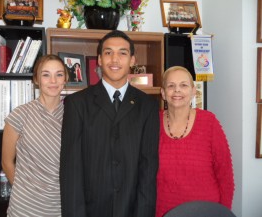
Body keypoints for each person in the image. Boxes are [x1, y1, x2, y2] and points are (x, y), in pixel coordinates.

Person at [60, 30, 160, 217]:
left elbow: (148, 169)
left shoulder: (148, 106)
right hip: (90, 210)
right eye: (108, 53)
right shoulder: (77, 104)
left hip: (132, 210)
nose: (115, 59)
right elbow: (71, 171)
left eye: (122, 53)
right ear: (99, 59)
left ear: (132, 60)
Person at [155, 66, 235, 217]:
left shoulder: (209, 122)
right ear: (163, 93)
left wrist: (223, 213)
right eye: (171, 86)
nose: (177, 90)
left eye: (183, 85)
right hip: (163, 211)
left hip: (205, 211)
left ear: (193, 91)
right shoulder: (153, 123)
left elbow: (225, 176)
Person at [1, 54, 68, 216]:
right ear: (36, 79)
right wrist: (24, 190)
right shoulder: (20, 114)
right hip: (25, 207)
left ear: (65, 79)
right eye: (46, 75)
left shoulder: (73, 116)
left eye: (59, 74)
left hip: (61, 207)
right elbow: (6, 162)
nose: (53, 81)